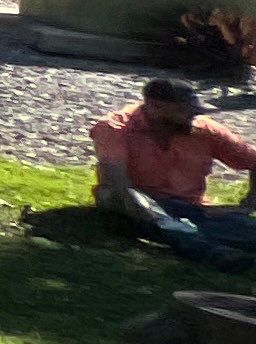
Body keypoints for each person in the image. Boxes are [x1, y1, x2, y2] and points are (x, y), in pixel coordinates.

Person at [87, 76, 256, 266]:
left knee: (242, 229)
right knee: (133, 204)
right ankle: (211, 251)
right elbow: (117, 184)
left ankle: (201, 238)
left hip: (193, 209)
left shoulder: (205, 130)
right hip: (134, 205)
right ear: (155, 107)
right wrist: (152, 213)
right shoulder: (115, 128)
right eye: (184, 110)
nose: (193, 116)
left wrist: (249, 205)